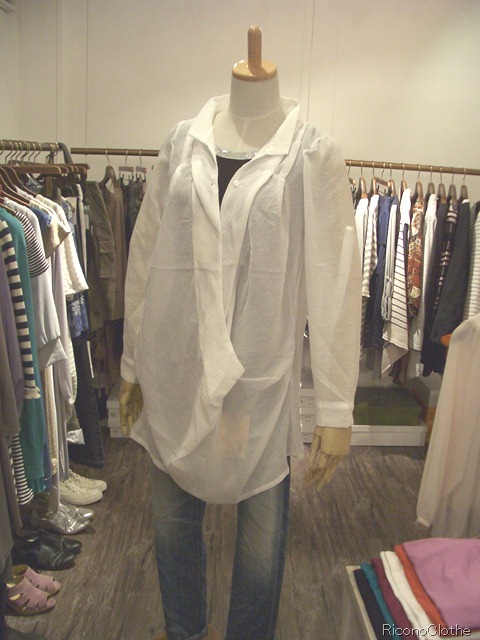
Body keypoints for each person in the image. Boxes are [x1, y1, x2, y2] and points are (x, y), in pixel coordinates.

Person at [120, 26, 361, 640]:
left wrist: (336, 407)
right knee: (173, 528)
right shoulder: (182, 142)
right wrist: (131, 364)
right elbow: (146, 253)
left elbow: (334, 278)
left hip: (257, 385)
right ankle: (185, 631)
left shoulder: (311, 154)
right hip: (174, 369)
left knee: (260, 547)